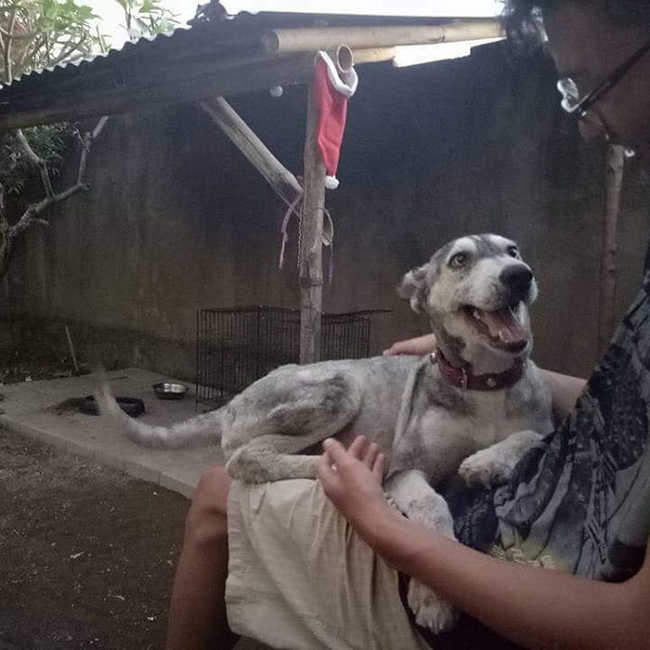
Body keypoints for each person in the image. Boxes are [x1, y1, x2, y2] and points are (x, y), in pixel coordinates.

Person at [166, 1, 650, 648]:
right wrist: (480, 359)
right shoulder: (475, 363)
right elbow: (624, 411)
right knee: (232, 473)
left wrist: (383, 525)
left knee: (214, 498)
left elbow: (630, 626)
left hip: (503, 581)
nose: (588, 126)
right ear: (427, 297)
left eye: (593, 85)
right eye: (574, 92)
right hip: (502, 517)